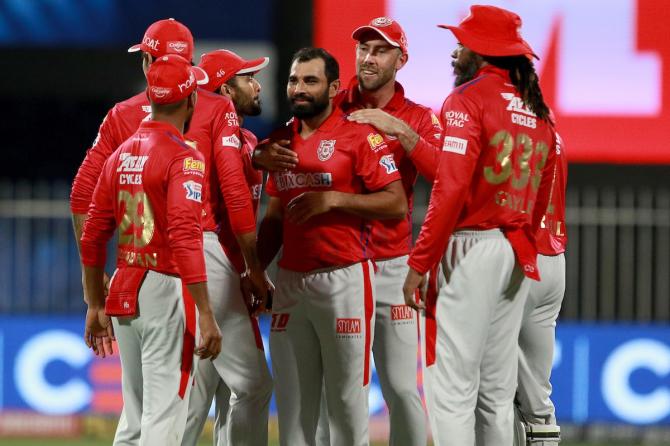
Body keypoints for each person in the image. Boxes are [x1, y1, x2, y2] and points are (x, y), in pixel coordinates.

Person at [70, 18, 269, 444]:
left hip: (131, 265)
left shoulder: (121, 120)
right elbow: (232, 196)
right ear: (192, 84)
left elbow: (81, 199)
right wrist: (252, 267)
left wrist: (94, 291)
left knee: (153, 410)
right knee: (222, 392)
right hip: (192, 263)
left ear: (147, 61)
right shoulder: (215, 110)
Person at [402, 5, 558, 445]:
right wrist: (521, 244)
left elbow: (448, 190)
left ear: (483, 50)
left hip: (469, 249)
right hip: (513, 250)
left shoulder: (466, 100)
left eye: (462, 43)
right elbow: (542, 197)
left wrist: (420, 261)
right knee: (495, 390)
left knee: (449, 388)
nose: (455, 52)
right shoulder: (540, 114)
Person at [257, 47, 407, 446]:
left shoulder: (359, 136)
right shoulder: (279, 140)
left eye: (310, 80)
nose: (299, 88)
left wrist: (334, 199)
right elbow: (274, 217)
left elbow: (396, 203)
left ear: (334, 87)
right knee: (293, 407)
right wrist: (253, 272)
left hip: (344, 281)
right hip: (289, 282)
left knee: (346, 402)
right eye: (293, 80)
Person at [80, 54, 222, 446]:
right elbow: (183, 234)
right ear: (191, 100)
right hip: (164, 289)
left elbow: (93, 234)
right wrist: (207, 312)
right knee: (164, 418)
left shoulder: (119, 154)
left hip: (125, 287)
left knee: (135, 420)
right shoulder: (184, 156)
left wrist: (95, 302)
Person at [329, 17, 442, 446]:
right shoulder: (334, 106)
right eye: (363, 49)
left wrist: (402, 132)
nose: (368, 58)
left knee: (400, 387)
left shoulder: (417, 117)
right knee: (341, 389)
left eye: (380, 50)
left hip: (392, 265)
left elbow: (444, 177)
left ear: (402, 59)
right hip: (337, 267)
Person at [182, 49, 273, 446]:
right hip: (215, 274)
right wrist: (253, 272)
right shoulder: (214, 138)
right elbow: (234, 203)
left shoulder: (249, 141)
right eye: (247, 77)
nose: (257, 84)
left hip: (217, 275)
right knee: (252, 386)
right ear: (224, 91)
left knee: (204, 393)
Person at [514, 131, 567, 446]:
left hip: (517, 260)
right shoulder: (553, 132)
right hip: (553, 260)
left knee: (492, 388)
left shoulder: (505, 124)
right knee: (536, 393)